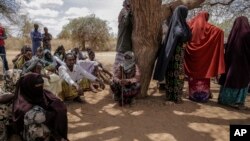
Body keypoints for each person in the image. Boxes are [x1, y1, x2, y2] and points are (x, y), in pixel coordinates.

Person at [12, 73, 68, 141]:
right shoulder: (22, 104)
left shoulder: (44, 93)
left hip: (49, 127)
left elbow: (58, 103)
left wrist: (58, 107)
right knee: (39, 131)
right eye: (36, 86)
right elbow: (39, 117)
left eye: (41, 85)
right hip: (30, 131)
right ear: (28, 86)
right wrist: (55, 112)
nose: (39, 88)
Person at [153, 5, 192, 104]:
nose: (186, 14)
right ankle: (172, 97)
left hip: (180, 57)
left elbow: (188, 36)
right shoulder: (177, 26)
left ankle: (176, 96)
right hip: (173, 57)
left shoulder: (183, 25)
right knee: (173, 76)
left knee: (179, 76)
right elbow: (181, 35)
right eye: (185, 12)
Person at [184, 11, 225, 102]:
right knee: (204, 77)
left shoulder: (190, 25)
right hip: (204, 61)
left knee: (193, 78)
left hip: (192, 59)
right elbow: (220, 31)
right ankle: (204, 97)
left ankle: (193, 96)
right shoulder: (210, 28)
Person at [218, 16, 250, 109]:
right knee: (241, 81)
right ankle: (237, 102)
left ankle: (224, 100)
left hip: (231, 64)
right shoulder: (248, 34)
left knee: (229, 78)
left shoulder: (233, 34)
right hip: (244, 65)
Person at [113, 0, 133, 75]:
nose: (129, 7)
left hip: (126, 47)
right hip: (123, 47)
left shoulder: (126, 13)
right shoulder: (124, 12)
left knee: (126, 71)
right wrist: (129, 11)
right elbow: (126, 23)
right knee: (118, 70)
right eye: (128, 6)